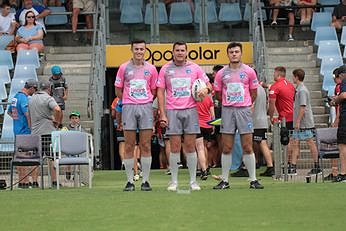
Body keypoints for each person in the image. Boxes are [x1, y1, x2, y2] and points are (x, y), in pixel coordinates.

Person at [157, 41, 212, 192]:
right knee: (174, 147)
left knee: (190, 146)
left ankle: (193, 181)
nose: (180, 53)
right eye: (177, 50)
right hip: (173, 112)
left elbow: (209, 85)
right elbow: (160, 92)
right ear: (173, 52)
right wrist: (162, 113)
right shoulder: (165, 69)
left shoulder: (195, 68)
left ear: (186, 52)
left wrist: (205, 90)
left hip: (190, 111)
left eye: (182, 50)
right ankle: (174, 181)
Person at [213, 42, 263, 190]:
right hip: (228, 111)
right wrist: (228, 103)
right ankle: (225, 180)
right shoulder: (222, 73)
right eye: (231, 52)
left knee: (247, 146)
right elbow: (217, 93)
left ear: (241, 53)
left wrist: (246, 104)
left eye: (236, 52)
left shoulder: (249, 71)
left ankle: (253, 179)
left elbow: (254, 93)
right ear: (227, 54)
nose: (234, 54)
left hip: (244, 110)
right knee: (227, 147)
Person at [114, 39, 158, 192]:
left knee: (145, 145)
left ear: (145, 51)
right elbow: (118, 90)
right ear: (131, 50)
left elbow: (153, 91)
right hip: (129, 108)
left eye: (142, 49)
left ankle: (145, 181)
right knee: (129, 145)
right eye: (136, 49)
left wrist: (144, 101)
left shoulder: (151, 69)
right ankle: (129, 181)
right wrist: (127, 101)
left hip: (146, 107)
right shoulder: (123, 68)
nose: (139, 52)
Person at [28, 80, 62, 187]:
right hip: (47, 132)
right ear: (49, 88)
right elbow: (57, 109)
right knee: (52, 157)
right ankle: (54, 181)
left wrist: (32, 127)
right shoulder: (48, 98)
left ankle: (34, 182)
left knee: (35, 158)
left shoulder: (31, 99)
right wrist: (57, 121)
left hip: (35, 133)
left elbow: (28, 116)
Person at [7, 79, 38, 189]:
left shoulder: (15, 97)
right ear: (31, 88)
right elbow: (27, 114)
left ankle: (22, 181)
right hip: (25, 132)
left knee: (19, 157)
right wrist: (31, 127)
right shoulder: (24, 98)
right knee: (31, 158)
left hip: (17, 131)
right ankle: (31, 182)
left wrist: (17, 121)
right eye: (35, 89)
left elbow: (9, 112)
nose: (34, 92)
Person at [291, 68, 321, 175]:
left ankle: (317, 165)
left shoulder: (302, 90)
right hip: (300, 122)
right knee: (295, 142)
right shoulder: (298, 89)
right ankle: (293, 166)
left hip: (305, 123)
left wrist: (298, 121)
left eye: (293, 76)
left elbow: (302, 107)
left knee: (310, 142)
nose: (292, 78)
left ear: (296, 77)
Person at [268, 66, 295, 173]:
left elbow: (271, 103)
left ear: (278, 74)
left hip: (284, 117)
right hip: (292, 115)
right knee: (292, 141)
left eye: (274, 73)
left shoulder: (275, 87)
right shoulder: (290, 85)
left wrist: (271, 116)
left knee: (286, 141)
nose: (273, 75)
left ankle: (285, 164)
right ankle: (291, 164)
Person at [254, 84, 275, 177]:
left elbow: (251, 105)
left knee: (261, 143)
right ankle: (268, 166)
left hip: (256, 121)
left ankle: (270, 166)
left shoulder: (254, 89)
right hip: (261, 119)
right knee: (260, 142)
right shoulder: (261, 89)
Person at [196, 93, 215, 180]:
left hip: (198, 124)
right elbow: (212, 113)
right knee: (204, 147)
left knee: (200, 147)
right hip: (208, 124)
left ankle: (203, 168)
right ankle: (206, 166)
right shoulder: (208, 98)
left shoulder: (195, 97)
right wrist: (213, 124)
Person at [333, 64, 346, 182]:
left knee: (342, 145)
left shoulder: (344, 82)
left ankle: (343, 173)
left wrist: (336, 100)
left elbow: (344, 95)